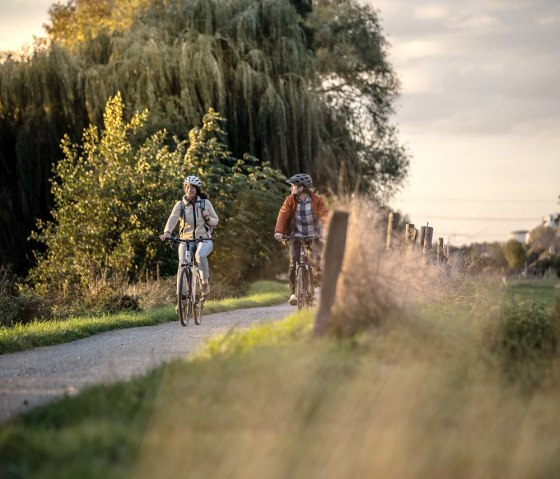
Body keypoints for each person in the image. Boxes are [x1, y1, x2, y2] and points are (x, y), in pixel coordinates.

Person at [274, 173, 329, 305]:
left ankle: (317, 290)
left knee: (317, 260)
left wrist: (327, 229)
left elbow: (325, 214)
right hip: (295, 235)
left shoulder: (317, 200)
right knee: (294, 261)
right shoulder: (290, 200)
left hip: (314, 234)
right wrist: (278, 232)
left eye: (293, 186)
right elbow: (283, 215)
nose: (291, 188)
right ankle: (293, 294)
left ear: (301, 188)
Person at [160, 175, 219, 299]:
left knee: (199, 255)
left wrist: (207, 217)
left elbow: (215, 221)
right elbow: (173, 219)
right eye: (187, 187)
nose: (189, 189)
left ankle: (204, 282)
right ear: (184, 188)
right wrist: (167, 232)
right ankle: (181, 296)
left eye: (192, 187)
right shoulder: (180, 205)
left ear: (197, 189)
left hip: (204, 239)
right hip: (186, 240)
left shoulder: (205, 203)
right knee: (182, 264)